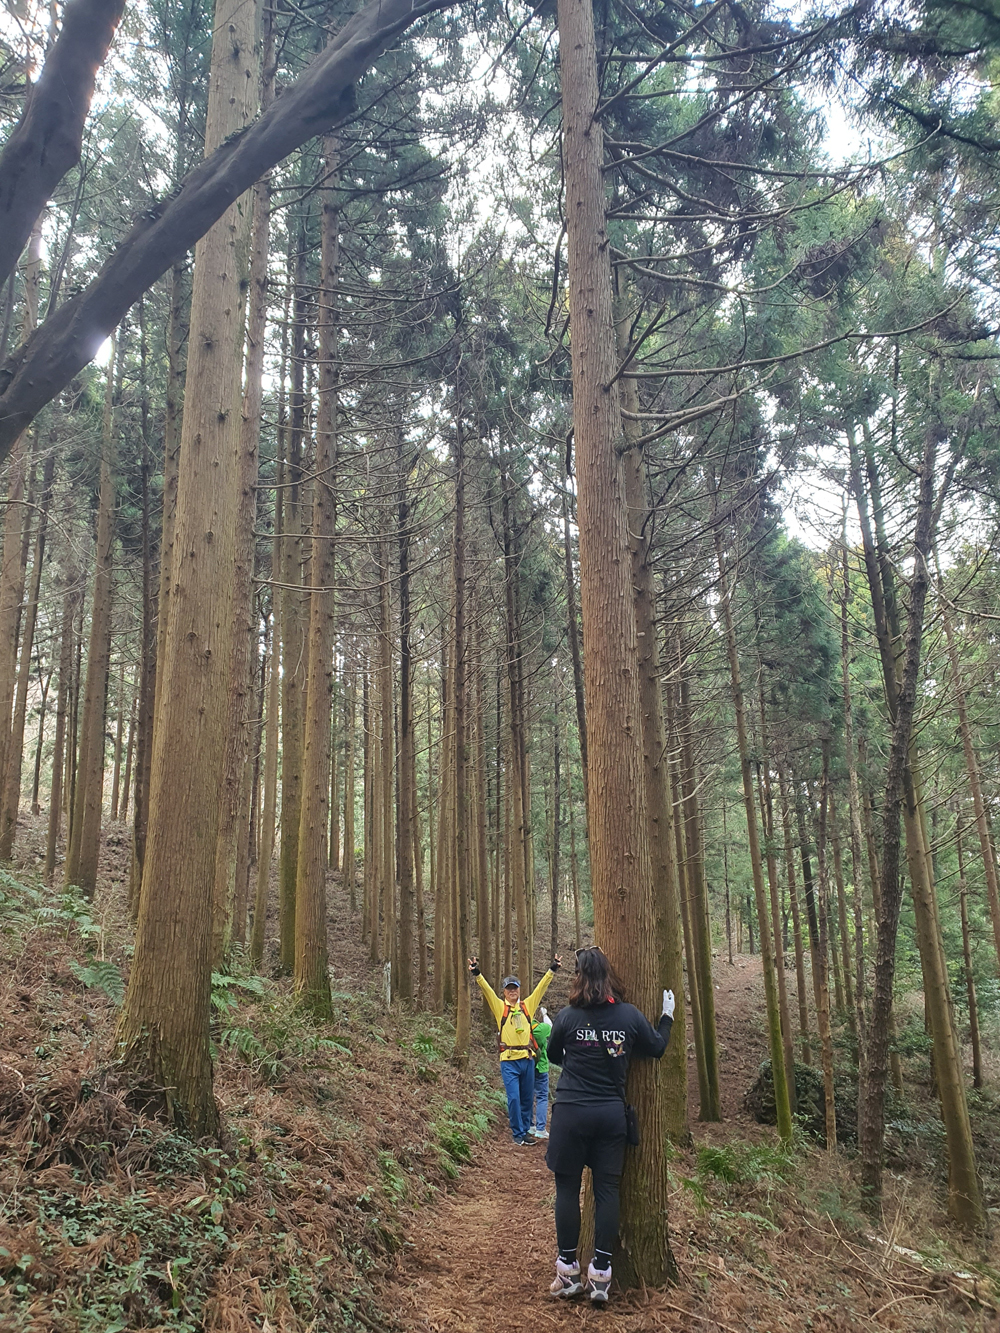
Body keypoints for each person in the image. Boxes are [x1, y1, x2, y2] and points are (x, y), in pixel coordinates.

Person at [544, 945, 675, 1304]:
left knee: (567, 1191)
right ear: (609, 975)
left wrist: (576, 1049)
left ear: (579, 978)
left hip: (571, 1113)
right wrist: (667, 1017)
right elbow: (657, 1047)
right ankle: (600, 1276)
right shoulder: (629, 1016)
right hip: (609, 1115)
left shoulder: (568, 1017)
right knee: (606, 1193)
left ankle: (568, 1271)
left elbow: (553, 1055)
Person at [468, 957, 560, 1145]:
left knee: (527, 1098)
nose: (512, 992)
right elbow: (486, 991)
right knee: (514, 1099)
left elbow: (540, 989)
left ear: (519, 990)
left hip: (527, 1059)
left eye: (515, 988)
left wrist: (552, 969)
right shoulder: (500, 1007)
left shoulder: (527, 1006)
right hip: (508, 1060)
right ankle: (517, 1133)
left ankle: (525, 1131)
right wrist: (476, 973)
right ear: (504, 991)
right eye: (509, 989)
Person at [529, 1005, 552, 1139]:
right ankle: (540, 1128)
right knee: (542, 1097)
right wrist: (544, 1015)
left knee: (529, 1095)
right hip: (541, 1066)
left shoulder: (522, 1028)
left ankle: (530, 1125)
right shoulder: (539, 1029)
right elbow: (550, 1025)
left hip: (527, 1065)